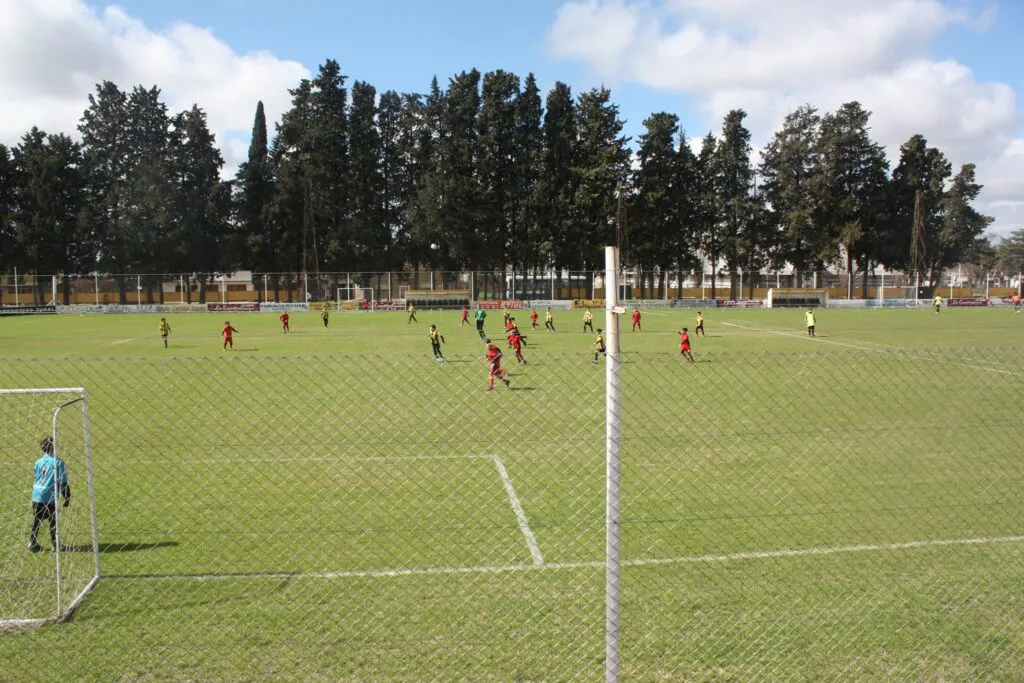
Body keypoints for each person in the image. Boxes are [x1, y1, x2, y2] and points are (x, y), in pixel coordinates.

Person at [29, 436, 70, 553]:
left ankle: (32, 542)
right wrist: (67, 497)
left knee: (37, 519)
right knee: (53, 520)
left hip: (36, 494)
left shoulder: (38, 461)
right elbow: (63, 483)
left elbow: (36, 473)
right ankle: (56, 544)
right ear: (54, 447)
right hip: (49, 495)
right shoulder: (58, 462)